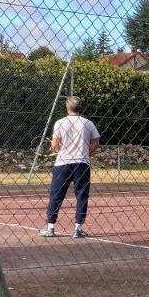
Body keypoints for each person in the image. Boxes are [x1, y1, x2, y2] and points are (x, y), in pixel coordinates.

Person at [41, 97, 100, 238]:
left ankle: (50, 227)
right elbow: (96, 143)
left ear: (67, 108)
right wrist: (87, 152)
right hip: (82, 164)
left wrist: (56, 149)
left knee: (56, 195)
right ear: (80, 108)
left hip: (62, 164)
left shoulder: (60, 123)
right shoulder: (88, 123)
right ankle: (78, 229)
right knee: (82, 196)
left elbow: (55, 146)